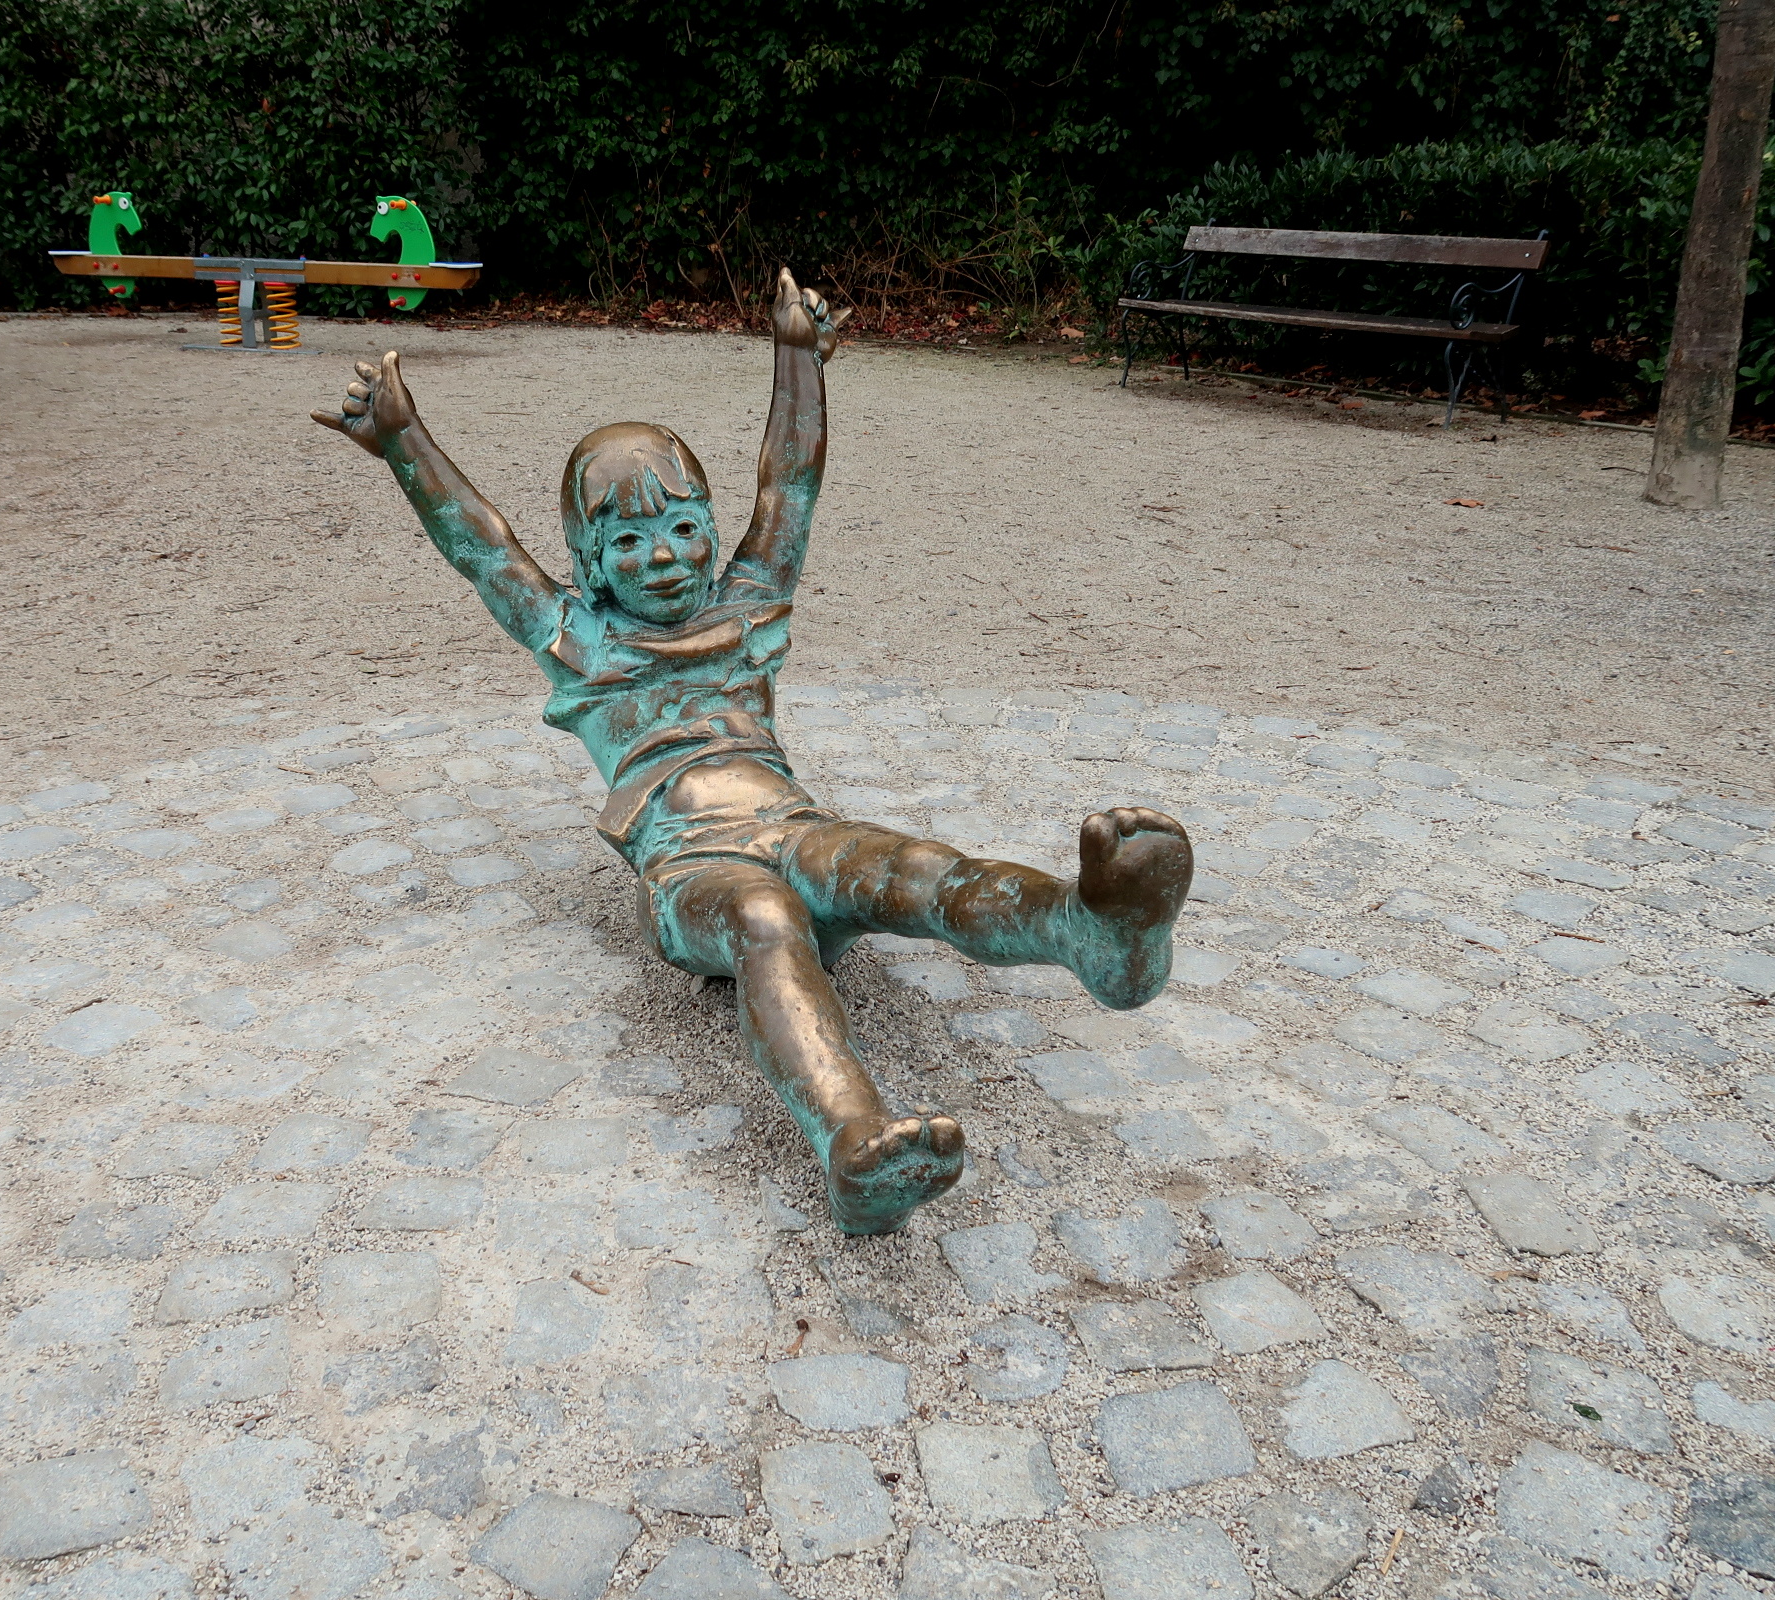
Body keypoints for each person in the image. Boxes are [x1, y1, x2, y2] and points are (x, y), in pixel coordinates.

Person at [312, 268, 1194, 1235]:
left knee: (914, 868)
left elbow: (789, 485)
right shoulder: (579, 639)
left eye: (685, 528)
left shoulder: (747, 604)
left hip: (794, 827)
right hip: (693, 869)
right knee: (767, 918)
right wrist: (403, 439)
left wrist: (796, 356)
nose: (665, 556)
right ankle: (854, 1140)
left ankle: (1092, 933)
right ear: (588, 564)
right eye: (629, 542)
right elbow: (484, 548)